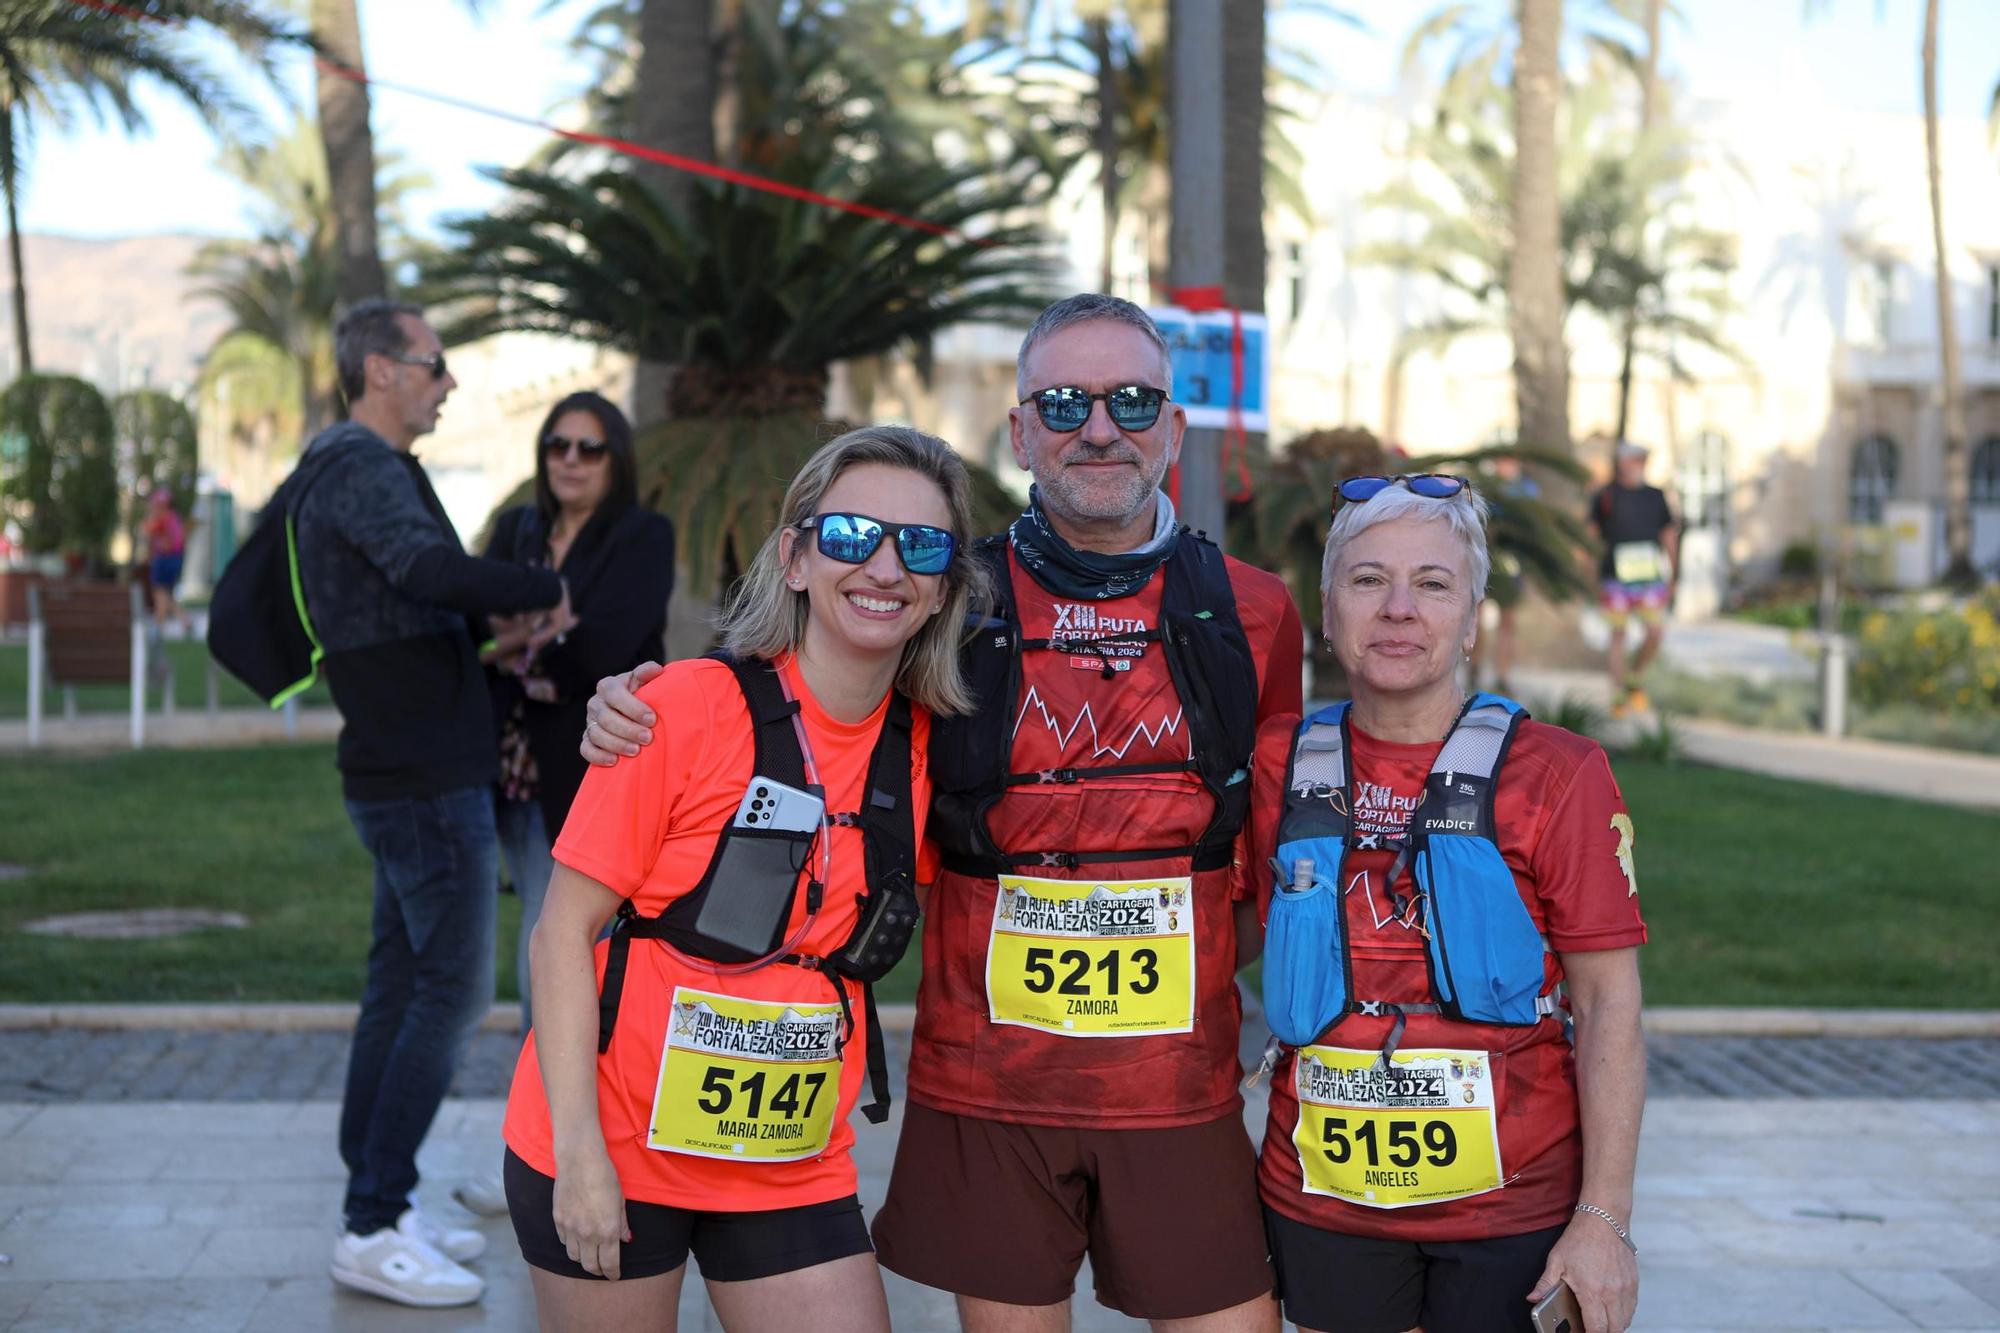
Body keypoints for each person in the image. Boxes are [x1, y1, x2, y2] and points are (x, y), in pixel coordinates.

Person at [583, 294, 1304, 1331]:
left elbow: (1267, 829)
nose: (1097, 428)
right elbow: (796, 692)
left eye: (1131, 401)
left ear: (1173, 427)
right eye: (1062, 403)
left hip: (1177, 1092)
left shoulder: (1252, 607)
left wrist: (1233, 993)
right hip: (991, 1088)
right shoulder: (943, 595)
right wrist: (633, 705)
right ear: (1018, 431)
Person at [501, 425, 981, 1331]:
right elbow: (561, 934)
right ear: (796, 559)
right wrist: (579, 1158)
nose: (884, 567)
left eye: (920, 546)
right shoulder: (681, 707)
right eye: (850, 536)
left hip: (786, 1157)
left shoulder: (927, 749)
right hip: (613, 1142)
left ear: (942, 590)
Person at [1256, 473, 1647, 1333]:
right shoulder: (1278, 766)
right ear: (1328, 610)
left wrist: (1604, 1219)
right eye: (1368, 580)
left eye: (1433, 584)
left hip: (1513, 1211)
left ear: (1471, 619)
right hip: (1324, 1202)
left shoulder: (1559, 771)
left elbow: (1608, 1000)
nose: (1399, 608)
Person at [295, 299, 573, 1309]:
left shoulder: (361, 468)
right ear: (379, 369)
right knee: (447, 993)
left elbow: (400, 614)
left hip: (406, 764)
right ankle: (370, 1222)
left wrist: (485, 645)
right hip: (419, 778)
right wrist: (540, 585)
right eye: (434, 363)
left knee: (400, 980)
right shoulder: (360, 465)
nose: (447, 381)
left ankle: (384, 1199)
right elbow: (426, 572)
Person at [483, 390, 675, 1035]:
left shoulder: (643, 535)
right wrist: (547, 634)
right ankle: (554, 1085)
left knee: (559, 916)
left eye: (589, 448)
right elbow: (478, 633)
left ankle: (559, 1082)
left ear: (614, 458)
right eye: (556, 446)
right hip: (509, 758)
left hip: (592, 756)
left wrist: (528, 641)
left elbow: (604, 651)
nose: (570, 460)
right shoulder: (517, 530)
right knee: (536, 915)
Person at [1589, 442, 1678, 718]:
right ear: (1622, 462)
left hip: (1649, 577)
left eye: (1642, 459)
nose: (1638, 464)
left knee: (1655, 633)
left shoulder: (1656, 496)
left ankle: (1634, 678)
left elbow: (1669, 536)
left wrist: (1674, 573)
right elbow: (1591, 536)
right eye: (1633, 459)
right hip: (1614, 577)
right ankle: (1617, 694)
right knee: (1618, 635)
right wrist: (1590, 576)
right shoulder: (1605, 495)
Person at [1471, 454, 1537, 696]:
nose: (1506, 466)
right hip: (1486, 557)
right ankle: (1474, 665)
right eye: (1501, 461)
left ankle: (1503, 674)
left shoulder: (1527, 490)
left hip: (1513, 562)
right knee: (1476, 617)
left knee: (1507, 621)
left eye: (1510, 461)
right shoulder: (1486, 488)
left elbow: (1532, 526)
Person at [143, 487, 187, 635]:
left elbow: (146, 529)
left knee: (160, 592)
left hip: (165, 559)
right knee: (164, 593)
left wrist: (150, 515)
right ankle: (181, 620)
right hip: (173, 559)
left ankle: (159, 625)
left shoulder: (163, 518)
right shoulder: (174, 517)